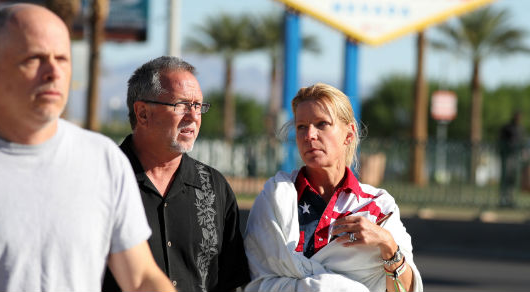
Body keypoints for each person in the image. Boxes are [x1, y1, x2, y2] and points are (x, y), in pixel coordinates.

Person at [0, 4, 174, 291]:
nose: (53, 72)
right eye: (35, 58)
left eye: (62, 59)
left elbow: (139, 278)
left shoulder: (102, 159)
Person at [244, 83, 423, 292]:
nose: (309, 135)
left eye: (321, 124)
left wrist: (388, 246)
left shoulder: (377, 207)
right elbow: (255, 281)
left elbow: (407, 290)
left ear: (349, 134)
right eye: (301, 126)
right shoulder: (276, 196)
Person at [102, 56, 250, 292]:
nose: (193, 116)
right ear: (142, 114)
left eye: (198, 105)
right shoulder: (103, 181)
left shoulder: (214, 187)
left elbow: (233, 281)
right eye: (181, 105)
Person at [499, 112, 525, 207]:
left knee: (513, 179)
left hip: (516, 156)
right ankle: (503, 200)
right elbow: (501, 140)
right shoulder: (507, 128)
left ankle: (511, 200)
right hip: (507, 156)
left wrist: (523, 151)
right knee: (505, 178)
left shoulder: (520, 128)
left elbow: (522, 142)